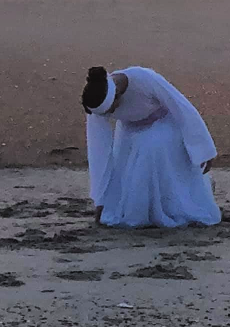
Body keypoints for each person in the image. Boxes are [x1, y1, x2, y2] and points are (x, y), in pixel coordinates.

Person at [82, 66, 221, 228]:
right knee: (132, 172)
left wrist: (203, 149)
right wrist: (101, 200)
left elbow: (181, 106)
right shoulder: (96, 100)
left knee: (150, 147)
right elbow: (99, 149)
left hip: (165, 124)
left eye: (111, 110)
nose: (111, 114)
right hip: (129, 132)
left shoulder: (143, 78)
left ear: (117, 95)